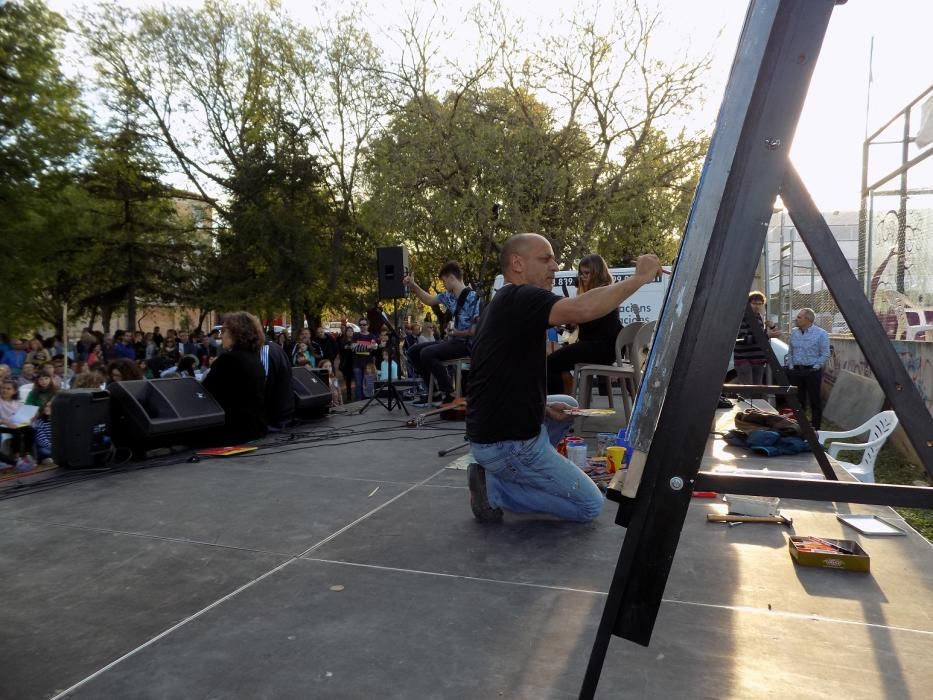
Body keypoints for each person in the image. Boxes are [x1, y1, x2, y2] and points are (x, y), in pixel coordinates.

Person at [466, 233, 663, 523]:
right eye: (545, 259)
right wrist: (640, 278)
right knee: (590, 505)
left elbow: (502, 377)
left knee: (567, 402)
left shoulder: (505, 303)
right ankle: (497, 491)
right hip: (507, 444)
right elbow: (583, 309)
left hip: (490, 434)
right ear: (517, 264)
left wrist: (542, 407)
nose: (555, 266)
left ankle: (516, 470)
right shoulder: (522, 297)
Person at [403, 261, 481, 406]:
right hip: (452, 341)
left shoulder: (474, 298)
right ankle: (435, 393)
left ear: (451, 277)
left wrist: (457, 333)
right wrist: (413, 286)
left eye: (444, 281)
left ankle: (449, 393)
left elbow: (475, 330)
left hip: (466, 344)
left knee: (427, 353)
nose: (443, 285)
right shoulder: (448, 296)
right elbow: (429, 299)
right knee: (413, 351)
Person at [545, 254, 621, 394]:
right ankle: (566, 395)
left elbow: (589, 328)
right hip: (603, 347)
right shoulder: (604, 291)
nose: (582, 277)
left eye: (587, 273)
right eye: (580, 273)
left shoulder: (601, 293)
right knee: (555, 360)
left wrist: (571, 319)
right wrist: (565, 328)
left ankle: (559, 403)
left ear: (597, 273)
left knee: (550, 362)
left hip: (601, 348)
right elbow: (579, 331)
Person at [201, 311, 267, 444]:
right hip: (254, 428)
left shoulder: (228, 359)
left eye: (224, 331)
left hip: (232, 431)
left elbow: (205, 392)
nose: (221, 336)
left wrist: (214, 368)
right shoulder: (254, 358)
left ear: (235, 333)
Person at [786, 307, 830, 430]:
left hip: (812, 371)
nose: (796, 319)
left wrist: (815, 367)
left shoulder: (821, 334)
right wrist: (791, 367)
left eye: (799, 317)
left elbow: (825, 353)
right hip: (796, 370)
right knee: (798, 401)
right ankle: (799, 426)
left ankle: (816, 429)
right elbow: (790, 351)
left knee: (814, 400)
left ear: (808, 319)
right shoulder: (794, 332)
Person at [733, 291, 781, 386]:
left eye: (760, 304)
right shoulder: (742, 316)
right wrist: (767, 335)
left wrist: (772, 327)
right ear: (748, 304)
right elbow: (742, 338)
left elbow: (763, 335)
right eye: (754, 303)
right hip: (744, 359)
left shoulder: (758, 317)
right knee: (747, 390)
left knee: (757, 389)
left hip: (757, 359)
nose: (757, 306)